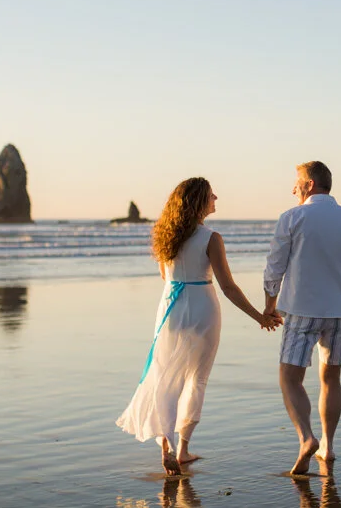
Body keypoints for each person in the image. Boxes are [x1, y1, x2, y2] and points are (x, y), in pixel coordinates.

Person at [117, 177, 282, 476]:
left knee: (165, 374)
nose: (216, 197)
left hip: (170, 306)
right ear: (199, 201)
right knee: (197, 378)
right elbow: (228, 287)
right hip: (203, 307)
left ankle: (165, 442)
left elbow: (164, 277)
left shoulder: (166, 235)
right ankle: (182, 450)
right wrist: (259, 316)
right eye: (211, 195)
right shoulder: (211, 238)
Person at [263, 161, 341, 475]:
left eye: (297, 182)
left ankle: (305, 437)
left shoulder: (292, 218)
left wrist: (269, 306)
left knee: (290, 379)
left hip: (301, 311)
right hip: (340, 313)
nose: (293, 188)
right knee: (331, 380)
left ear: (310, 184)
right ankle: (327, 445)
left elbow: (274, 269)